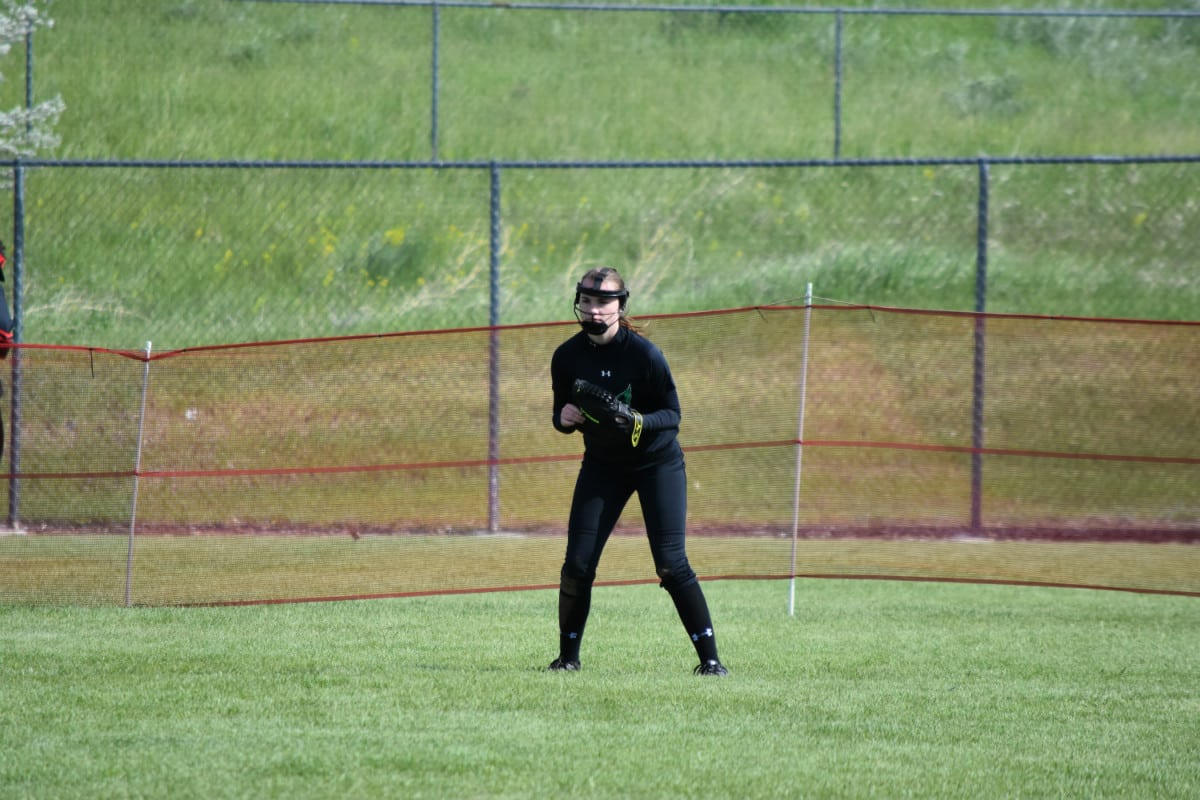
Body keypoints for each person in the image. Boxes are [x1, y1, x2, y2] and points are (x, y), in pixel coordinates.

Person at [547, 266, 728, 676]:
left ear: (621, 305)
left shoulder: (644, 355)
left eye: (604, 302)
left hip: (656, 464)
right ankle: (567, 659)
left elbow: (673, 415)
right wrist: (564, 418)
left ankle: (711, 662)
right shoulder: (567, 357)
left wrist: (638, 421)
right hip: (603, 466)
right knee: (577, 565)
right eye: (587, 301)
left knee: (671, 564)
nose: (594, 310)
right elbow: (561, 415)